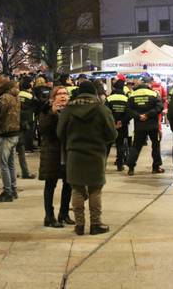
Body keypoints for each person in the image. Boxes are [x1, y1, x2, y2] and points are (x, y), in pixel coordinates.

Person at [57, 81, 117, 236]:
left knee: (76, 188)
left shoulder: (68, 110)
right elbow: (112, 134)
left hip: (74, 154)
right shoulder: (102, 109)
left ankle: (79, 225)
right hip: (96, 154)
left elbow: (60, 133)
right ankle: (95, 224)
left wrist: (71, 140)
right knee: (95, 189)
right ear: (94, 93)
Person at [38, 86, 74, 228]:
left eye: (65, 93)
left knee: (68, 183)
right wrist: (53, 113)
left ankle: (64, 213)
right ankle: (49, 216)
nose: (63, 96)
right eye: (60, 94)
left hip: (67, 151)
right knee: (50, 184)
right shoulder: (46, 111)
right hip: (52, 151)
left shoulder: (71, 111)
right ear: (53, 97)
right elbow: (44, 130)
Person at [126, 77, 164, 175]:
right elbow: (160, 107)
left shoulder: (132, 95)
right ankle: (156, 167)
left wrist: (139, 116)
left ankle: (131, 168)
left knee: (136, 146)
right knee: (155, 146)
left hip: (139, 125)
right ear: (148, 85)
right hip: (152, 125)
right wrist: (148, 115)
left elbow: (128, 110)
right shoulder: (154, 94)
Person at [0, 76, 21, 203]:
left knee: (3, 164)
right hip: (15, 131)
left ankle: (7, 191)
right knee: (10, 163)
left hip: (6, 132)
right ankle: (13, 189)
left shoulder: (4, 98)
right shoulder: (16, 96)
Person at [105, 79, 130, 171]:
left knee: (107, 145)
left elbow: (106, 113)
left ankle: (103, 165)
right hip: (122, 126)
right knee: (120, 145)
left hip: (110, 126)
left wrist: (112, 123)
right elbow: (129, 113)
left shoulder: (109, 98)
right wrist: (122, 122)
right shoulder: (126, 99)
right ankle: (120, 165)